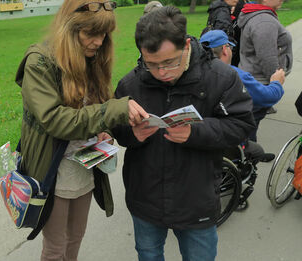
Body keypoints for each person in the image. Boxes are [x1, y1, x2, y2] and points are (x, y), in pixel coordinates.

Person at [112, 6, 255, 261]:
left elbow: (242, 125)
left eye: (169, 62)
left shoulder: (221, 78)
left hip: (196, 201)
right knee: (148, 254)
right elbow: (118, 132)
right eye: (152, 64)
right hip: (145, 199)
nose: (162, 72)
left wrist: (195, 133)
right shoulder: (130, 84)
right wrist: (133, 134)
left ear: (187, 44)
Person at [14, 0, 148, 260]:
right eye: (91, 33)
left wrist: (102, 131)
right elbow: (54, 119)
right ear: (69, 28)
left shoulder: (92, 58)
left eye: (104, 34)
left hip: (84, 165)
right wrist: (111, 110)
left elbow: (92, 110)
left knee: (75, 239)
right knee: (55, 247)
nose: (99, 41)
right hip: (52, 169)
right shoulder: (39, 63)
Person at [200, 29, 285, 162]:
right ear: (224, 49)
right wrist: (276, 83)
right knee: (257, 151)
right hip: (227, 138)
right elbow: (268, 97)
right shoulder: (235, 75)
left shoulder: (194, 71)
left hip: (203, 133)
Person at [237, 0, 293, 134]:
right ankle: (249, 155)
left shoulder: (258, 14)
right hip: (259, 86)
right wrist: (274, 87)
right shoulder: (264, 21)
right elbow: (267, 58)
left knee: (248, 132)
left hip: (253, 83)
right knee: (248, 135)